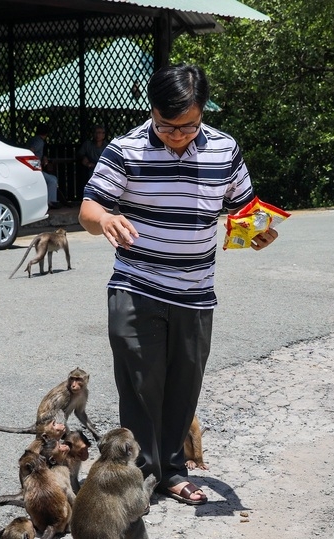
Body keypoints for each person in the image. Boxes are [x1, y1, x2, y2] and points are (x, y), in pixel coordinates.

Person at [79, 64, 278, 506]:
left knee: (183, 386)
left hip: (195, 292)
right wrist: (106, 218)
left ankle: (171, 469)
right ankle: (137, 476)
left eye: (188, 126)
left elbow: (245, 209)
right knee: (140, 383)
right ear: (152, 111)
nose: (177, 135)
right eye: (167, 126)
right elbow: (88, 210)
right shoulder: (125, 149)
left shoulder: (225, 149)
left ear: (203, 112)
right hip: (137, 285)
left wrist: (259, 231)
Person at [26, 124, 60, 208]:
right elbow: (29, 153)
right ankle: (51, 202)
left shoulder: (33, 139)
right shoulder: (39, 142)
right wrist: (37, 166)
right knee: (52, 180)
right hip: (33, 170)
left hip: (28, 169)